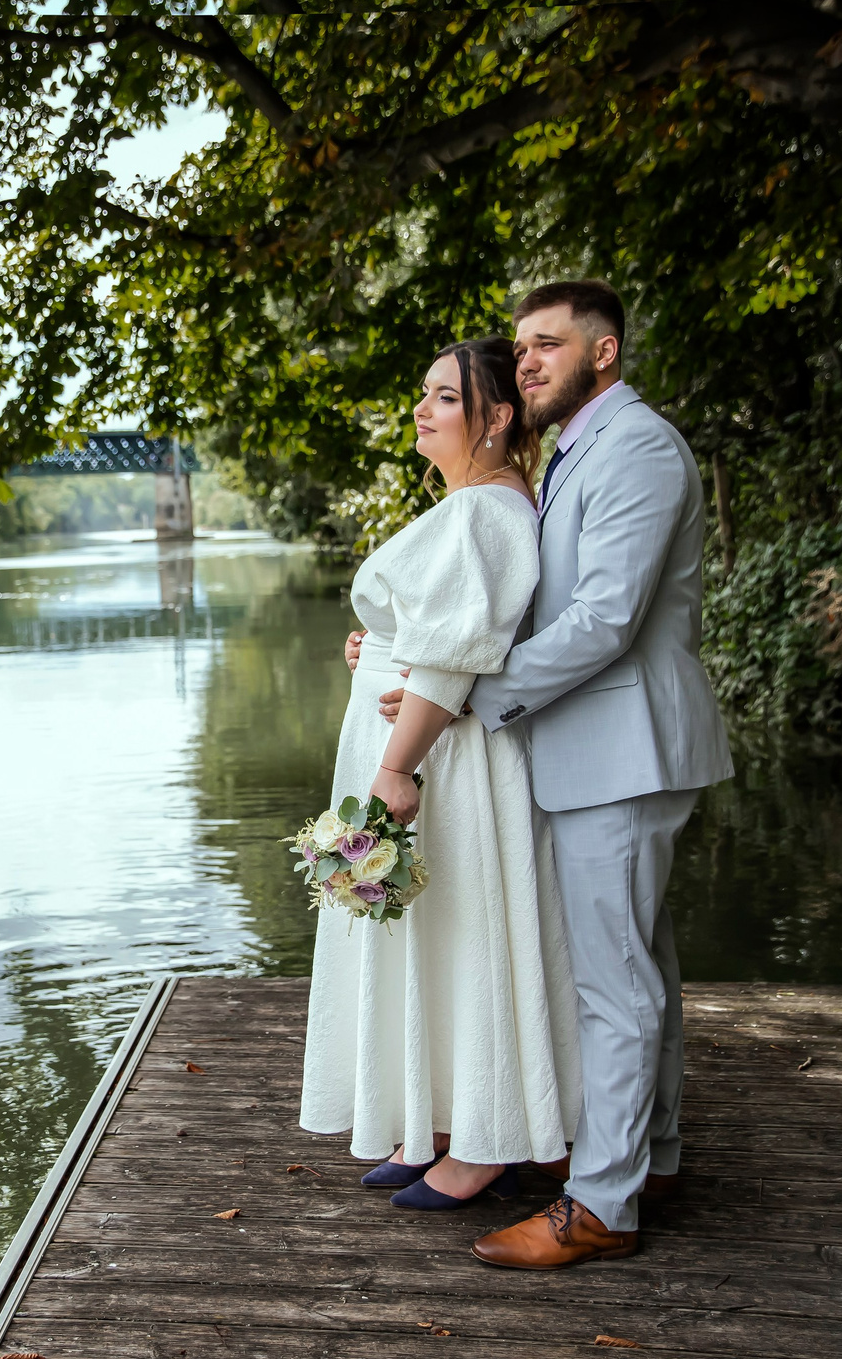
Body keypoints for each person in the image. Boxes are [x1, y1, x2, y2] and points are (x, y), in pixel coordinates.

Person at [379, 280, 732, 1268]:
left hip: (625, 747)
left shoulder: (637, 448)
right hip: (601, 747)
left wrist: (473, 697)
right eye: (521, 348)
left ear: (604, 353)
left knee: (611, 986)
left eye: (547, 345)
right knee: (641, 967)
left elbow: (604, 622)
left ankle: (601, 1207)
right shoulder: (584, 449)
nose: (525, 361)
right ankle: (649, 1156)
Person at [299, 338, 582, 1212]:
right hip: (425, 738)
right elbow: (436, 626)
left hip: (443, 760)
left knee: (466, 934)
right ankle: (446, 1122)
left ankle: (489, 1139)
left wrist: (394, 769)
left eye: (445, 398)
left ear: (497, 418)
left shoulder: (485, 513)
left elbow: (456, 655)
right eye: (421, 394)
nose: (422, 409)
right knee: (438, 936)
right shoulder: (472, 508)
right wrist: (372, 647)